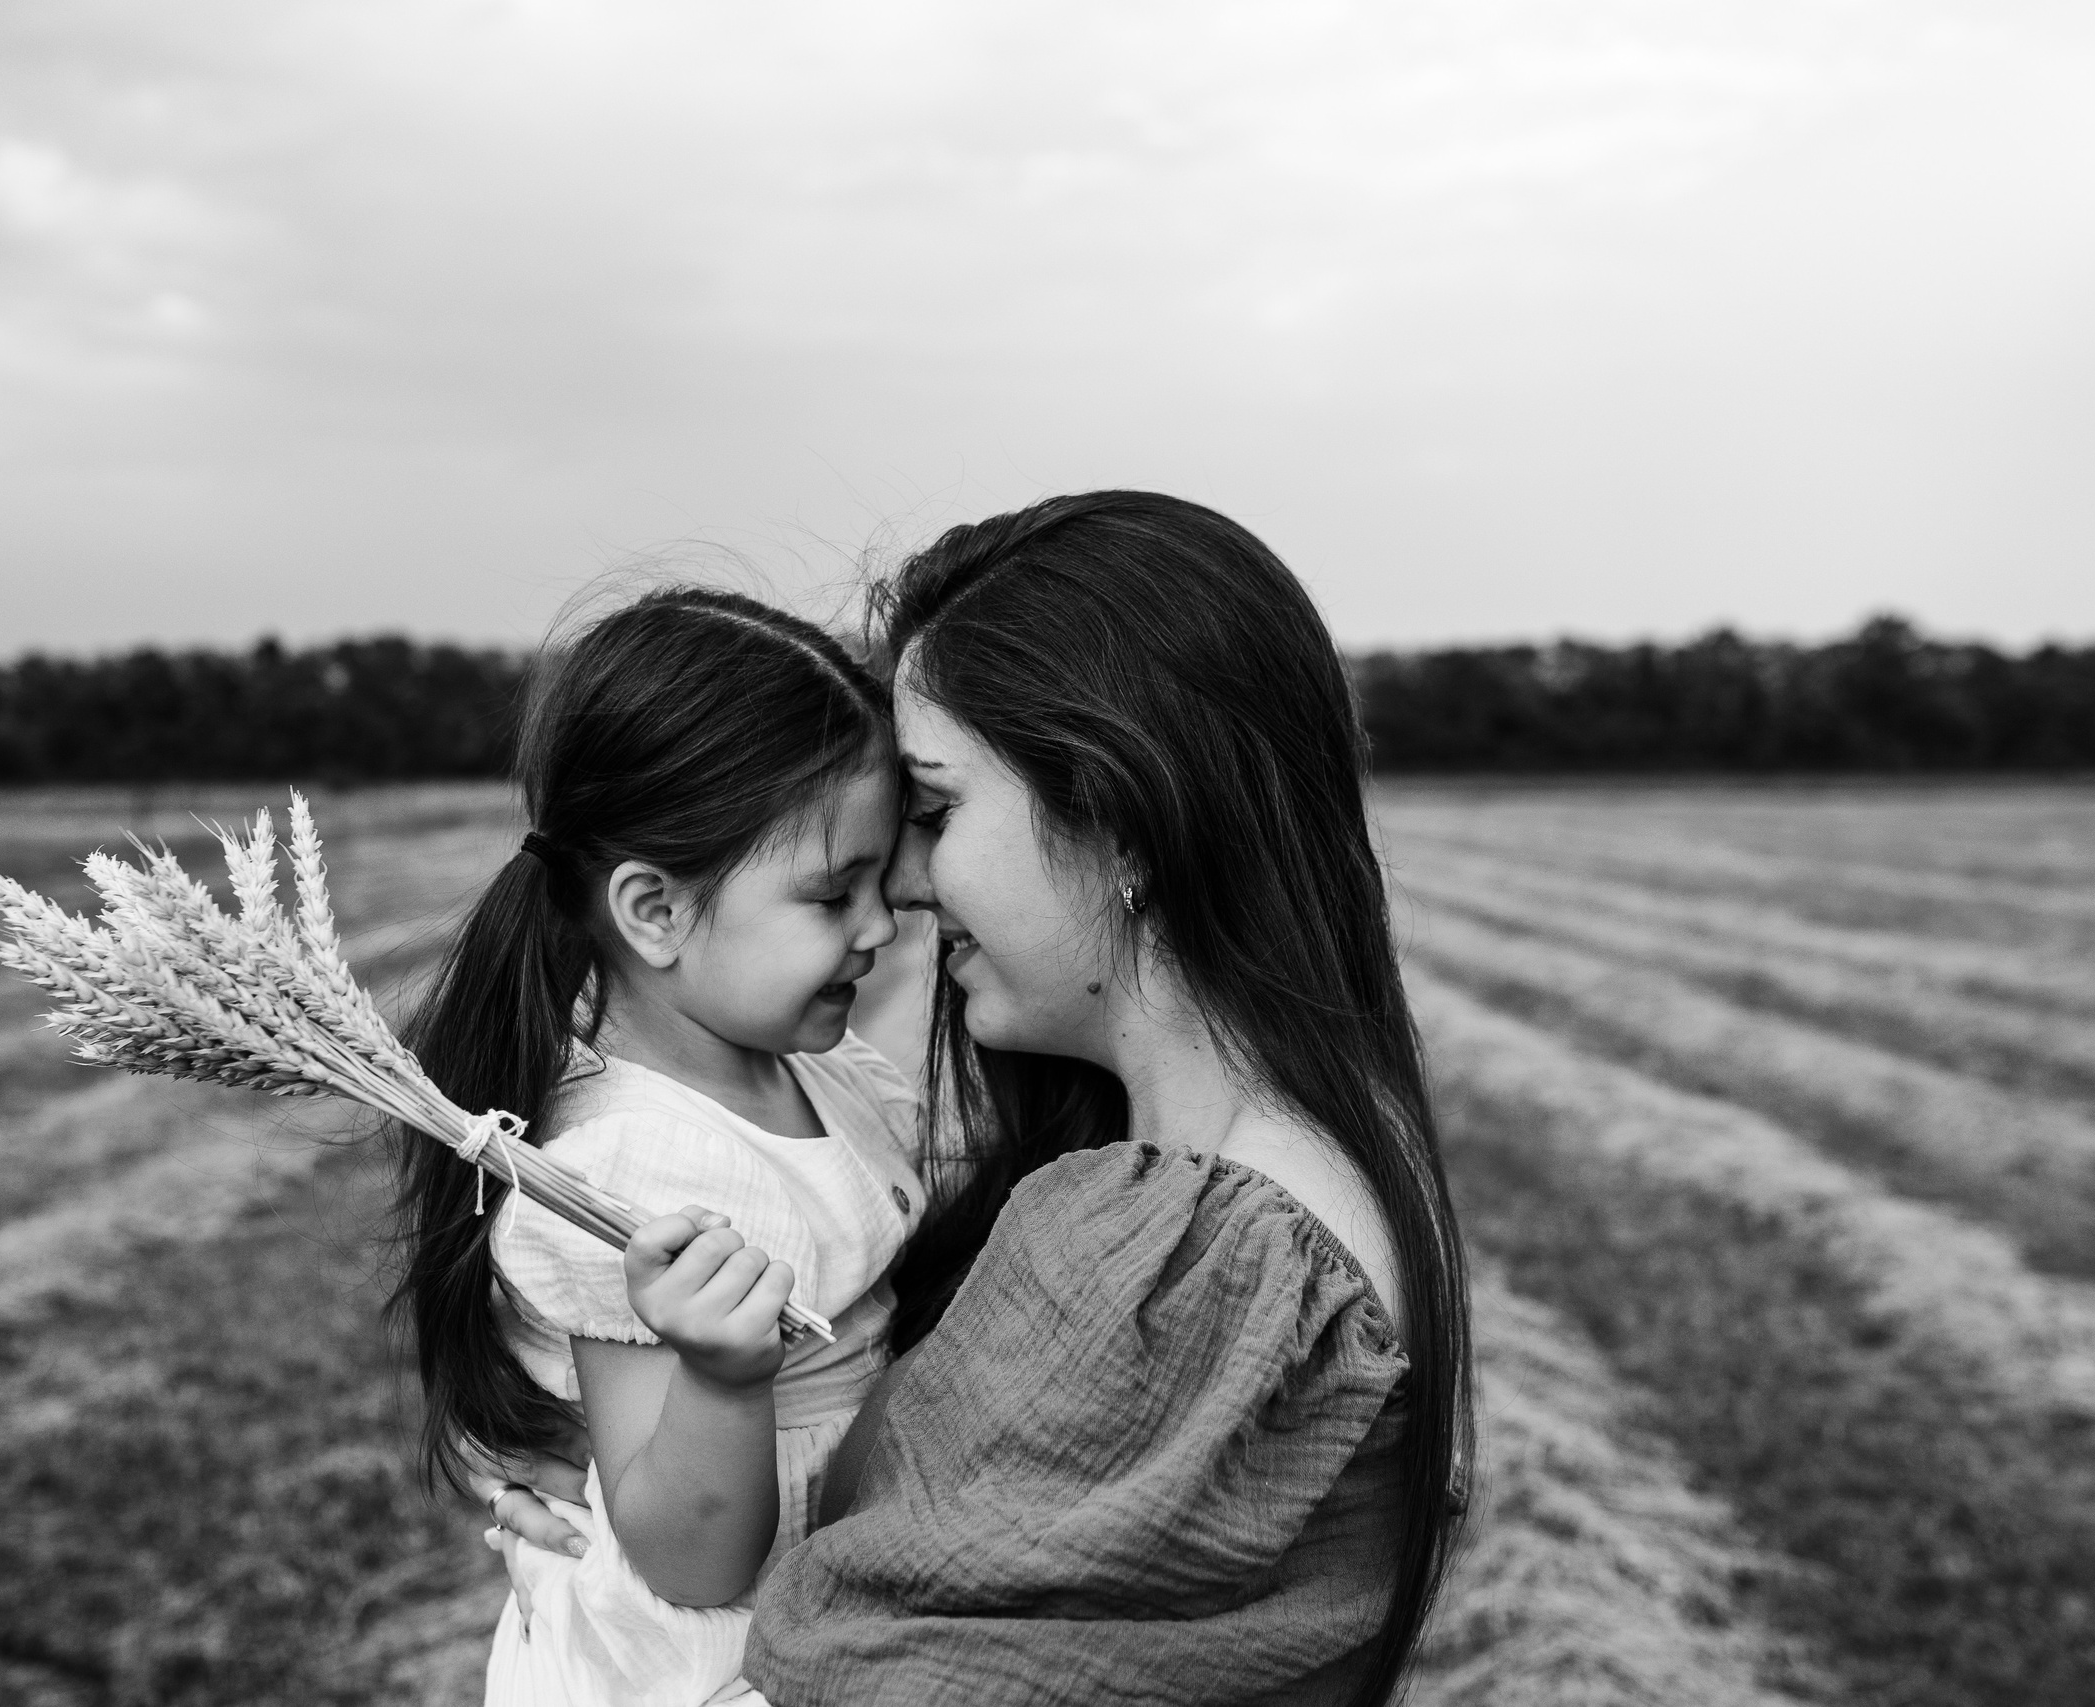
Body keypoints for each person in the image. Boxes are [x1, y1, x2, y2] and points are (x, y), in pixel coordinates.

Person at [493, 494, 1476, 1706]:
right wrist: (624, 1492)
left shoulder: (1199, 1251)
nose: (903, 888)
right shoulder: (1267, 1161)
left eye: (938, 810)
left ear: (1116, 818)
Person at [390, 587, 939, 1707]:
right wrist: (724, 1377)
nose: (882, 927)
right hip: (708, 1669)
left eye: (881, 882)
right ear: (654, 911)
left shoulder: (826, 1075)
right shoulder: (632, 1173)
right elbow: (689, 1560)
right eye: (833, 894)